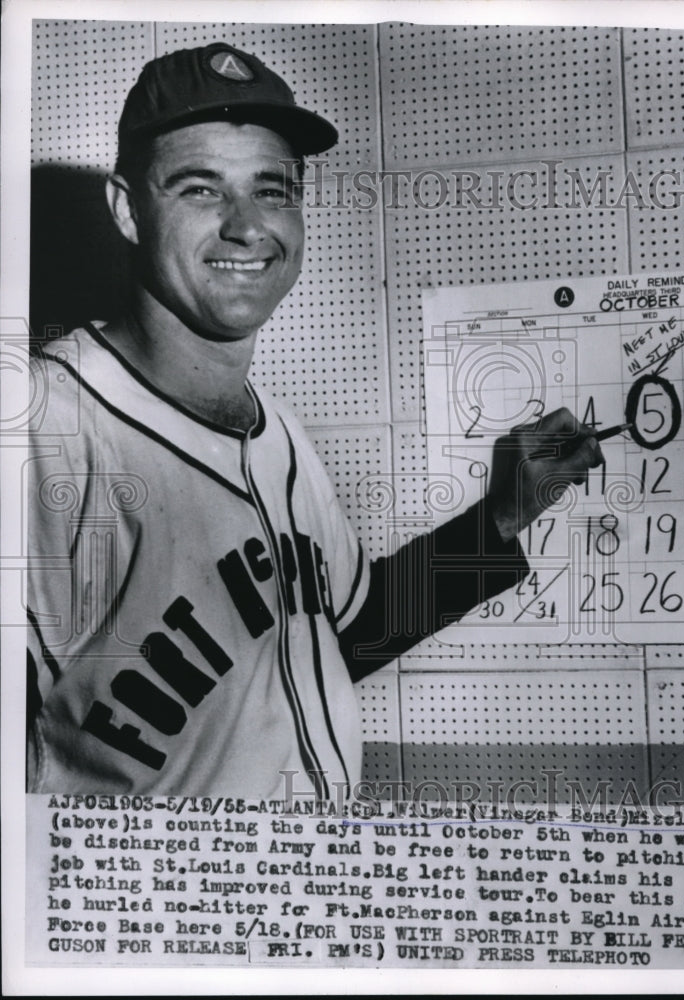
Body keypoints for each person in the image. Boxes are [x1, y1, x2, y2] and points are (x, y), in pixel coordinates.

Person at [26, 42, 603, 799]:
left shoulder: (278, 431)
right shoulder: (43, 434)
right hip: (157, 910)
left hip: (302, 894)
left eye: (272, 190)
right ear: (128, 209)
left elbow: (346, 634)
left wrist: (500, 518)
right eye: (201, 189)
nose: (246, 227)